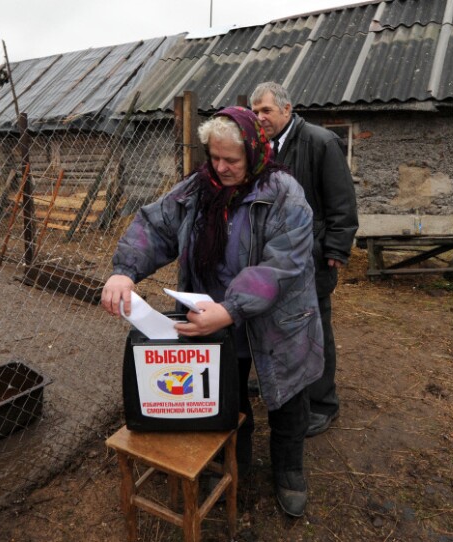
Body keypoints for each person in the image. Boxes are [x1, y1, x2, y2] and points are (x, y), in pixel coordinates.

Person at [101, 106, 324, 517]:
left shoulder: (284, 194)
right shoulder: (197, 188)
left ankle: (289, 472)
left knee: (288, 398)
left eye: (231, 161)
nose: (219, 168)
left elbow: (281, 265)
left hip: (277, 319)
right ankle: (230, 466)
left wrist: (232, 307)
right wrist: (124, 272)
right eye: (214, 157)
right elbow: (154, 226)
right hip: (214, 317)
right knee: (228, 395)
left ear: (256, 153)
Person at [250, 81, 359, 437]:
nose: (260, 117)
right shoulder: (261, 147)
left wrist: (336, 250)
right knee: (275, 321)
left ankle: (323, 403)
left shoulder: (320, 142)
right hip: (274, 257)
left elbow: (342, 202)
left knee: (315, 327)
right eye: (255, 111)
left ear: (287, 108)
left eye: (266, 110)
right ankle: (281, 381)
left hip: (312, 255)